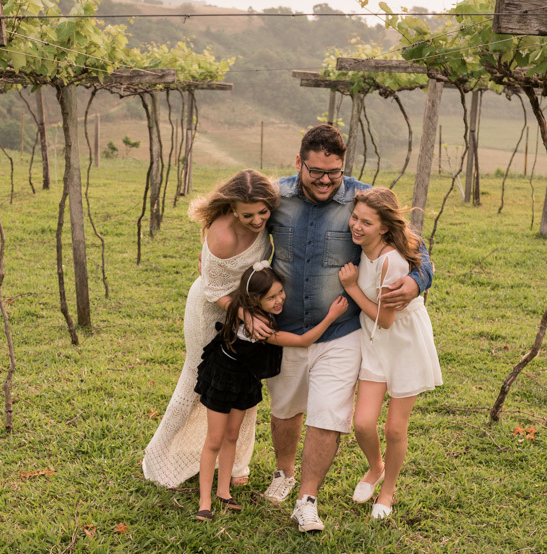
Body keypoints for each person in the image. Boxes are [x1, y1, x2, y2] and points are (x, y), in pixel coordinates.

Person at [250, 124, 433, 532]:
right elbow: (240, 233)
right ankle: (284, 473)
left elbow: (415, 248)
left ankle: (307, 499)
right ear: (299, 163)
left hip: (341, 329)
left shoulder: (361, 200)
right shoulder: (275, 197)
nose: (325, 180)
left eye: (333, 172)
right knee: (285, 409)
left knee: (329, 414)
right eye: (316, 172)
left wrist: (416, 281)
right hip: (286, 327)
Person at [143, 170, 280, 490]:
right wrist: (248, 315)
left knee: (246, 384)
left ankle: (237, 463)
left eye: (263, 212)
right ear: (232, 208)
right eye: (248, 215)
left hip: (249, 312)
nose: (259, 220)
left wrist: (253, 313)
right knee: (199, 382)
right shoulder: (222, 235)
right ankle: (162, 456)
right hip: (212, 311)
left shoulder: (264, 210)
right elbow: (214, 290)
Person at [193, 262, 348, 521]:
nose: (279, 300)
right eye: (271, 297)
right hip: (223, 378)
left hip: (245, 379)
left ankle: (223, 492)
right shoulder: (260, 326)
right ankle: (204, 501)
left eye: (280, 292)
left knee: (232, 436)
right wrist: (331, 316)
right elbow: (302, 341)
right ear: (254, 300)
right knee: (214, 440)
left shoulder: (252, 312)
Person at [338, 188, 442, 519]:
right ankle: (376, 466)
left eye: (366, 222)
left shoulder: (392, 262)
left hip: (402, 343)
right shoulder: (361, 250)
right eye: (355, 218)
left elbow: (385, 319)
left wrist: (352, 289)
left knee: (395, 428)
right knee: (363, 423)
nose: (356, 226)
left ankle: (388, 490)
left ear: (384, 228)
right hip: (374, 342)